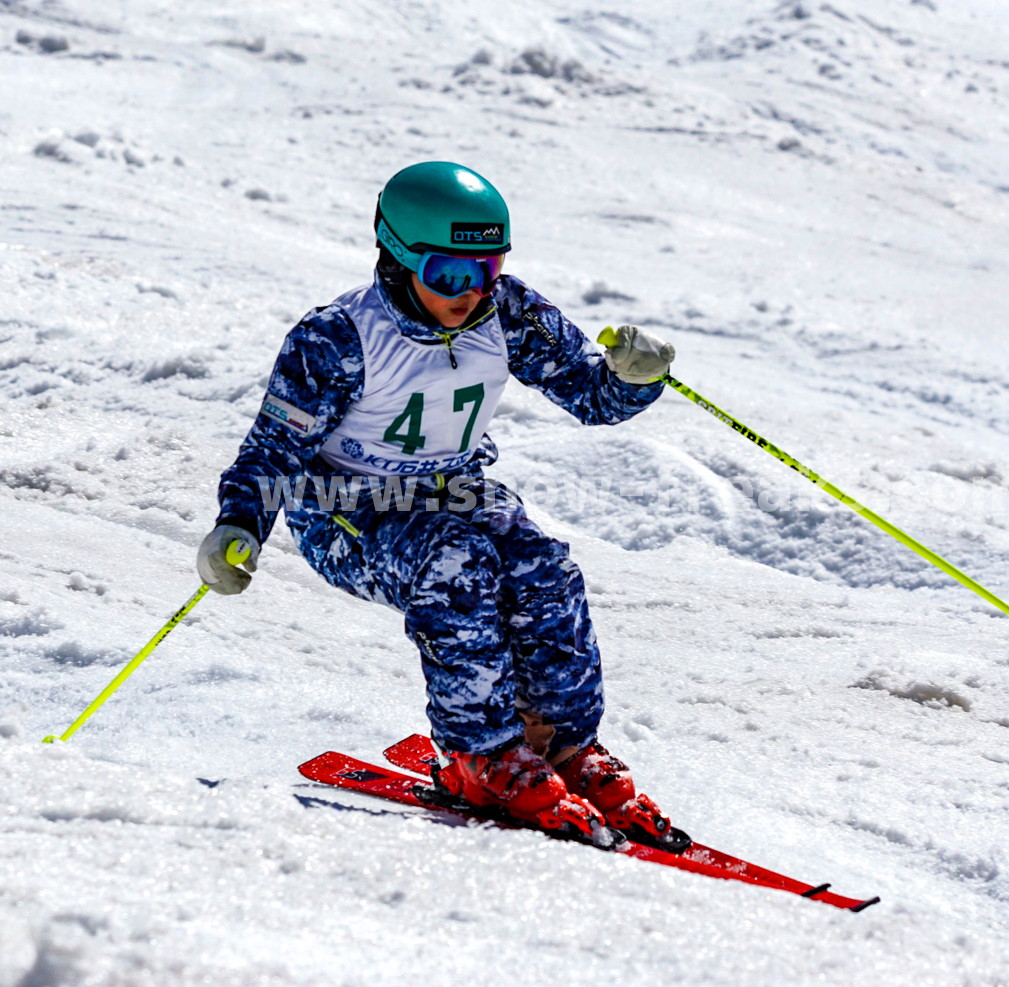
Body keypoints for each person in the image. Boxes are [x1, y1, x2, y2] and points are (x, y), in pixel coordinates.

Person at [196, 161, 683, 850]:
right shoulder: (336, 338)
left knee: (543, 566)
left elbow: (591, 395)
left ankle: (563, 744)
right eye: (449, 275)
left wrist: (632, 378)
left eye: (485, 269)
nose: (470, 293)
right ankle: (478, 756)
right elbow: (274, 448)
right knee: (458, 565)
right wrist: (239, 524)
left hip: (452, 491)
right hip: (348, 514)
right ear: (396, 259)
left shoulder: (506, 312)